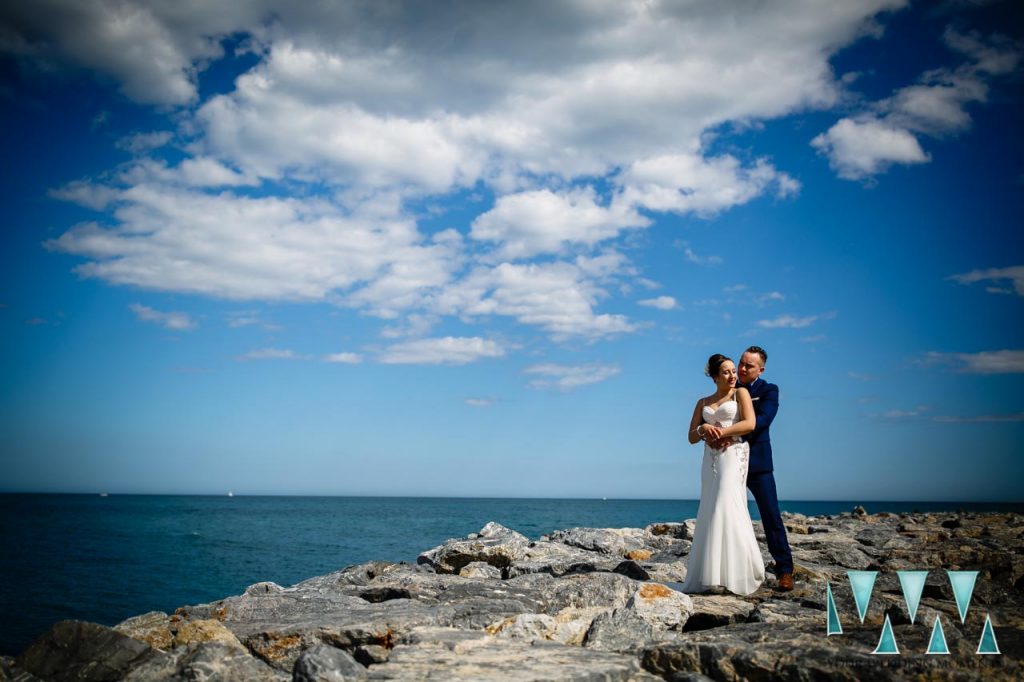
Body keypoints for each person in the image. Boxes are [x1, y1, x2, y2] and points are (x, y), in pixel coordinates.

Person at [709, 346, 794, 591]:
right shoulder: (728, 389)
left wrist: (730, 434)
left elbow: (762, 420)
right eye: (742, 363)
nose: (743, 369)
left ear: (761, 369)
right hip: (727, 460)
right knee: (724, 513)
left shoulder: (769, 390)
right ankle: (726, 570)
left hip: (757, 463)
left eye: (749, 366)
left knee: (771, 515)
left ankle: (785, 570)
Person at [681, 353, 765, 595]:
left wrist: (722, 433)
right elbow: (691, 437)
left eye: (733, 371)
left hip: (733, 454)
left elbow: (750, 424)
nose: (733, 375)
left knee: (726, 506)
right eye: (726, 372)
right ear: (715, 376)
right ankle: (711, 574)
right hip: (710, 460)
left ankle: (737, 573)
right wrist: (703, 427)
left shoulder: (741, 394)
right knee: (709, 507)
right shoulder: (702, 402)